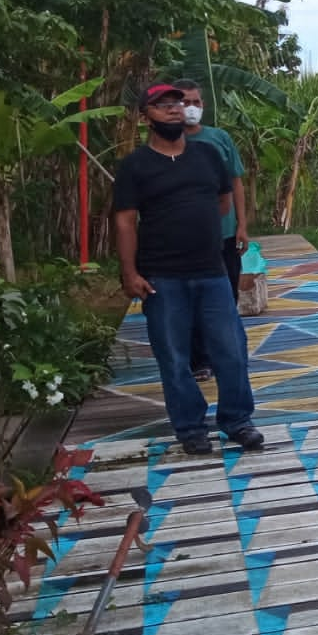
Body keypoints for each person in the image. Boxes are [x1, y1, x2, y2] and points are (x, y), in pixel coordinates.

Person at [113, 83, 264, 455]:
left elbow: (223, 200)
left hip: (211, 271)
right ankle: (191, 427)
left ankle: (237, 420)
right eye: (162, 105)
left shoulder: (207, 155)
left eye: (177, 103)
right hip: (162, 276)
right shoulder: (135, 166)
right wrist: (129, 273)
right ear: (145, 116)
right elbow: (125, 223)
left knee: (230, 349)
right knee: (174, 355)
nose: (174, 109)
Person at [177, 78, 249, 382]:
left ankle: (224, 354)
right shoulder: (166, 143)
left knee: (226, 293)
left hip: (225, 230)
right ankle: (199, 359)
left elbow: (235, 181)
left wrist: (242, 224)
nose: (191, 108)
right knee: (190, 298)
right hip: (186, 236)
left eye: (196, 102)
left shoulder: (219, 138)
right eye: (184, 102)